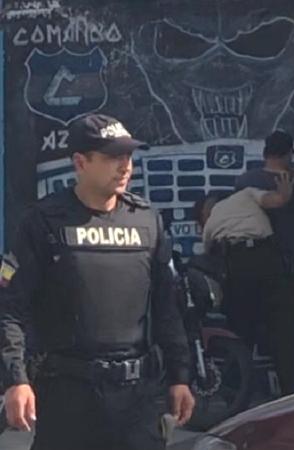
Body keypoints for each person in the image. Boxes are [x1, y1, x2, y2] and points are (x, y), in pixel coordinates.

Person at [0, 114, 194, 450]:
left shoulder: (147, 221)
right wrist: (15, 379)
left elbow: (166, 306)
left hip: (138, 397)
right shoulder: (44, 222)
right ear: (80, 162)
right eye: (112, 157)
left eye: (128, 157)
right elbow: (11, 307)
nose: (125, 166)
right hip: (69, 394)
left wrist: (180, 376)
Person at [234, 130, 294, 395]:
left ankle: (238, 390)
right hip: (288, 269)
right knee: (286, 336)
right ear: (288, 153)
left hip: (248, 267)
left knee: (245, 332)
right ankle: (289, 390)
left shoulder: (245, 181)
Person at [194, 175, 293, 348]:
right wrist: (285, 191)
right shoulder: (247, 194)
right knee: (281, 327)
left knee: (242, 328)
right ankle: (286, 371)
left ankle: (245, 368)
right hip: (267, 258)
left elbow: (208, 252)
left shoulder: (211, 220)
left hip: (238, 264)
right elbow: (277, 200)